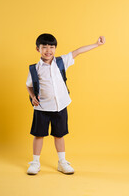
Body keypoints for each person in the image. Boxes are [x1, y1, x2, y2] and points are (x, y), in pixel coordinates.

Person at [26, 33, 106, 175]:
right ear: (37, 49)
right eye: (44, 47)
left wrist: (96, 44)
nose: (48, 50)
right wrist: (32, 97)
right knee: (38, 135)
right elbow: (29, 85)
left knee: (59, 134)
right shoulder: (34, 69)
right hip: (42, 107)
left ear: (55, 49)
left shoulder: (61, 62)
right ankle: (35, 162)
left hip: (60, 106)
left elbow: (77, 52)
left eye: (52, 47)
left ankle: (62, 162)